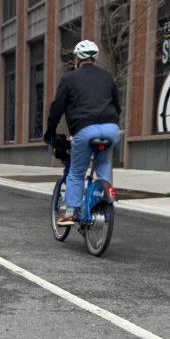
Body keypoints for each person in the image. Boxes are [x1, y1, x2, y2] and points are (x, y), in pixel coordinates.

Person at [44, 40, 122, 226]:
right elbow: (117, 105)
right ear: (94, 58)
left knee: (76, 172)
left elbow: (57, 108)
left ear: (78, 59)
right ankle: (104, 202)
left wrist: (50, 132)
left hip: (85, 129)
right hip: (111, 129)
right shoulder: (107, 77)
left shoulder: (70, 79)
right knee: (104, 164)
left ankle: (70, 213)